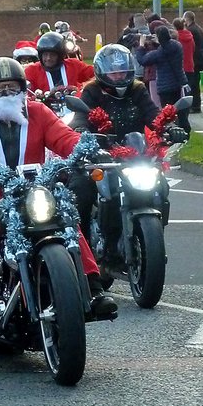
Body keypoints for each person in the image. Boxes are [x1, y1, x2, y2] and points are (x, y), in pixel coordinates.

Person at [0, 57, 117, 347]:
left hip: (35, 195)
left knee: (68, 221)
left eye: (12, 87)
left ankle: (92, 289)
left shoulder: (38, 112)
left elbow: (65, 137)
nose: (6, 93)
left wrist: (88, 152)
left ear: (23, 89)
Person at [75, 44, 161, 252]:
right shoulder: (91, 91)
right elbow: (80, 116)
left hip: (135, 154)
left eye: (122, 71)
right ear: (101, 72)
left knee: (161, 187)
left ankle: (153, 235)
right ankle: (84, 251)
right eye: (113, 73)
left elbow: (153, 115)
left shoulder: (138, 90)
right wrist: (81, 129)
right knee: (81, 192)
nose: (118, 76)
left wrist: (169, 126)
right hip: (100, 156)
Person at [135, 25, 188, 134]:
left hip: (164, 87)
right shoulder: (177, 46)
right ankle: (184, 128)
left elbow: (143, 60)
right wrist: (160, 42)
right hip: (176, 83)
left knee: (167, 112)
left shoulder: (160, 53)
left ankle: (171, 131)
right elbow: (168, 47)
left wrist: (141, 45)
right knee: (178, 109)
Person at [24, 31, 94, 95]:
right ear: (40, 55)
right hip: (43, 108)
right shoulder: (31, 71)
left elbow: (95, 75)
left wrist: (82, 88)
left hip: (74, 107)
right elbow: (27, 95)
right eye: (45, 54)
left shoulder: (74, 65)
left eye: (52, 55)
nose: (48, 58)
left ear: (61, 55)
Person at [182, 11, 203, 114]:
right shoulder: (198, 28)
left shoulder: (190, 30)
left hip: (194, 60)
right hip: (199, 59)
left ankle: (194, 106)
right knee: (195, 84)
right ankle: (196, 105)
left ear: (187, 19)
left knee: (192, 84)